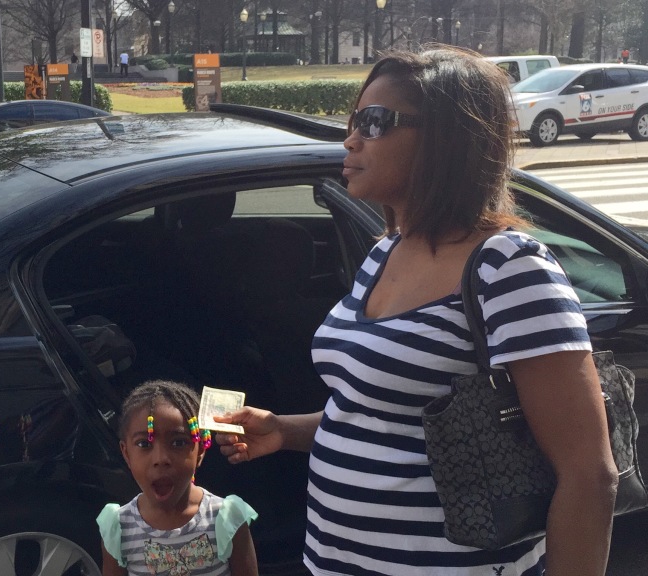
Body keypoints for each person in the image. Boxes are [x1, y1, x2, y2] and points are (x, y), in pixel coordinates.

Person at [215, 47, 618, 576]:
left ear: (448, 140)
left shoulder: (509, 269)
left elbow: (590, 475)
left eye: (374, 122)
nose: (351, 138)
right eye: (353, 120)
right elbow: (388, 416)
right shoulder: (386, 251)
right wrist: (285, 430)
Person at [98, 380, 259, 576]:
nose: (161, 459)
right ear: (126, 454)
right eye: (143, 444)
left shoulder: (226, 518)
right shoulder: (119, 528)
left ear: (200, 450)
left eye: (178, 442)